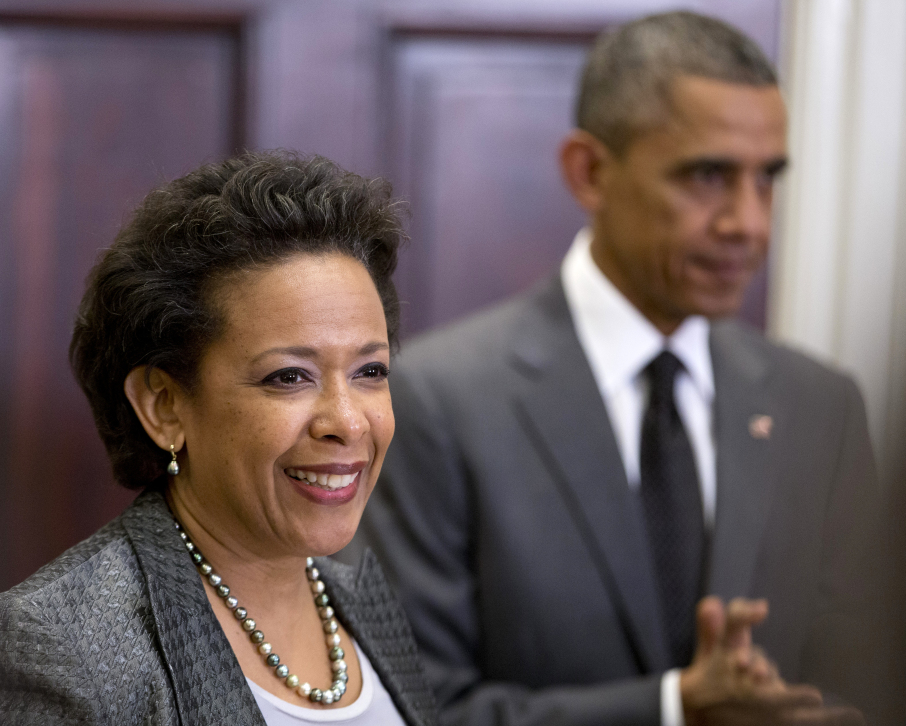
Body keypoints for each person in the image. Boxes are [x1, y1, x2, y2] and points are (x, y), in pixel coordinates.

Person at [359, 11, 882, 726]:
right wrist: (669, 709)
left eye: (767, 180)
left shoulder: (821, 407)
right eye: (708, 176)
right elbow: (413, 705)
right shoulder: (440, 400)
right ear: (592, 172)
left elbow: (862, 681)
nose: (749, 223)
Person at [0, 152, 437, 725]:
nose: (348, 421)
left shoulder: (366, 604)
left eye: (370, 371)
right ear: (164, 406)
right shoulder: (53, 653)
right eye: (289, 377)